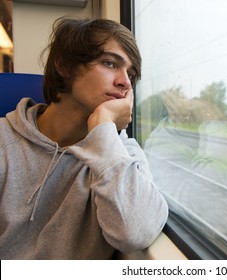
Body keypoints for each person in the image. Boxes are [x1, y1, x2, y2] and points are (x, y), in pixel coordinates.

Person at [0, 17, 168, 259]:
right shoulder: (4, 140)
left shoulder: (122, 154)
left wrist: (103, 129)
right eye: (110, 63)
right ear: (65, 65)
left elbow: (136, 233)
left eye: (130, 74)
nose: (124, 82)